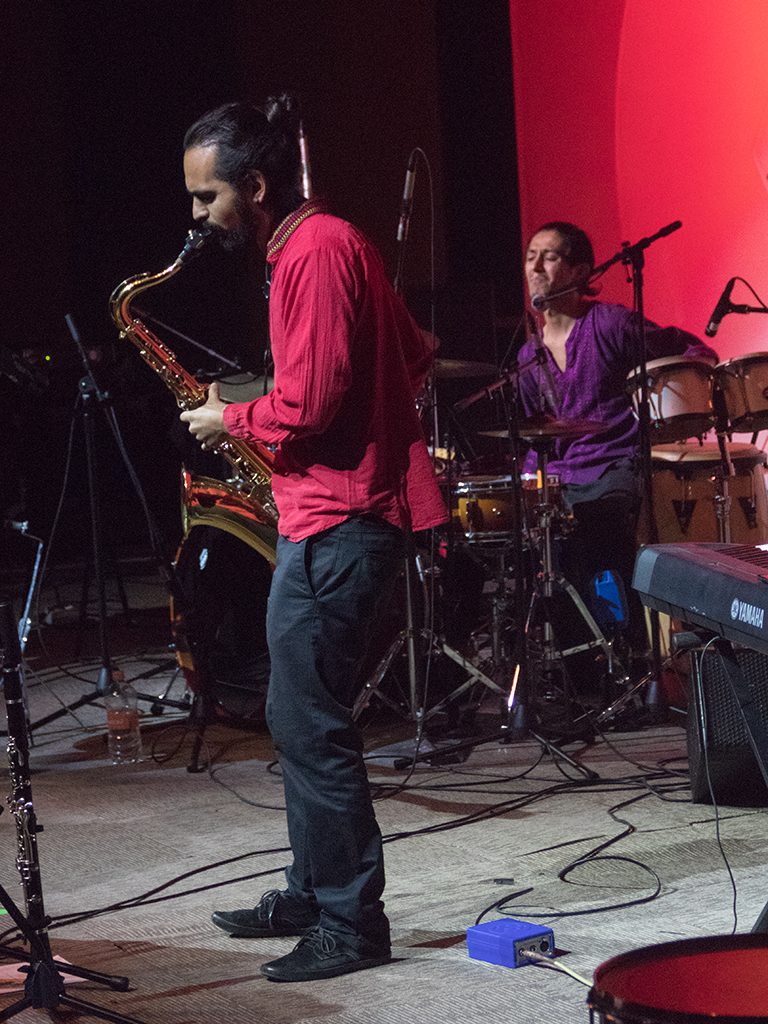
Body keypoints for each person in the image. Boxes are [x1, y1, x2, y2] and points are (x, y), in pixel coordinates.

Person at [179, 96, 447, 982]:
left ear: (254, 187)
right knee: (295, 716)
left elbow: (313, 403)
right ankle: (309, 889)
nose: (197, 215)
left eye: (207, 196)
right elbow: (412, 351)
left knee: (310, 723)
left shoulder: (318, 250)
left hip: (342, 521)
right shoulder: (316, 247)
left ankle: (349, 923)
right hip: (327, 513)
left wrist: (231, 418)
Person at [518, 221, 717, 673]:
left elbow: (688, 350)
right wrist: (528, 482)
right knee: (539, 551)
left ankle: (631, 655)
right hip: (563, 479)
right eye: (530, 257)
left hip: (614, 466)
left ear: (580, 270)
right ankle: (580, 669)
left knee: (597, 535)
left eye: (549, 256)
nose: (536, 267)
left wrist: (677, 392)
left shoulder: (609, 324)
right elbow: (535, 436)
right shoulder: (528, 357)